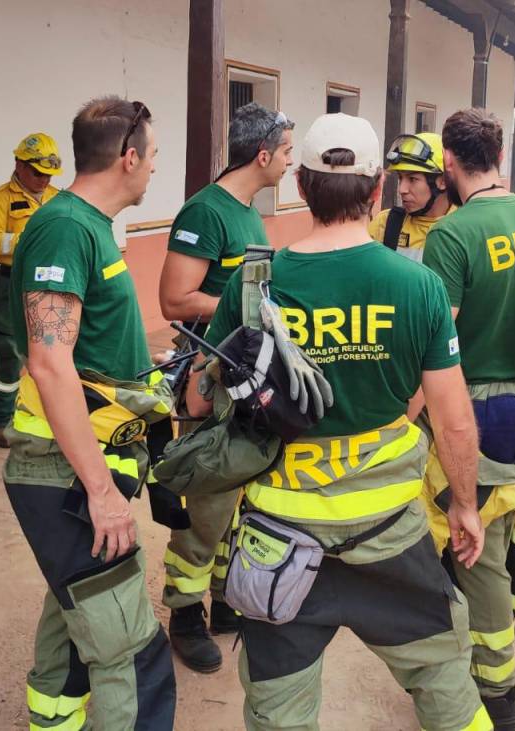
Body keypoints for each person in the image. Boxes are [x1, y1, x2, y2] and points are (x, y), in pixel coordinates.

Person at [184, 113, 493, 731]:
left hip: (280, 538)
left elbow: (196, 401)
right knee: (443, 684)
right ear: (376, 189)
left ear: (300, 186)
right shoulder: (420, 285)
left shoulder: (255, 283)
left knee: (279, 710)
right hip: (392, 536)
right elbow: (454, 422)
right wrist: (463, 504)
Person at [3, 96, 175, 731]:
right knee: (132, 652)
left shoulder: (90, 227)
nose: (155, 167)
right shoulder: (65, 229)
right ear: (129, 157)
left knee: (76, 604)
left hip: (86, 459)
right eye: (153, 155)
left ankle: (52, 717)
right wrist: (101, 492)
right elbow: (51, 364)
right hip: (65, 473)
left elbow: (98, 349)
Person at [420, 109, 515, 731]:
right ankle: (493, 667)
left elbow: (433, 338)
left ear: (449, 165)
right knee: (501, 518)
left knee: (463, 533)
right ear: (499, 155)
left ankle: (492, 696)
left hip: (472, 407)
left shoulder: (452, 236)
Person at [157, 102, 295, 673]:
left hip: (244, 373)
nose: (290, 161)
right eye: (286, 151)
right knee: (210, 499)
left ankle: (221, 600)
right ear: (262, 155)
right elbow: (175, 299)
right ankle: (184, 610)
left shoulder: (249, 212)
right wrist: (247, 312)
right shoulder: (206, 211)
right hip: (209, 378)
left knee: (239, 490)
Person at [0, 133, 62, 447]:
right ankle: (3, 421)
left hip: (52, 281)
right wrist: (31, 238)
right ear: (19, 164)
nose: (43, 179)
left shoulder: (58, 197)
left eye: (48, 174)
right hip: (13, 280)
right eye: (37, 172)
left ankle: (47, 414)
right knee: (9, 351)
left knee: (53, 346)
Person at [367, 131, 453, 260]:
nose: (402, 189)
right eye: (400, 178)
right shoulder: (385, 224)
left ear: (443, 181)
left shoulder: (464, 229)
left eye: (412, 179)